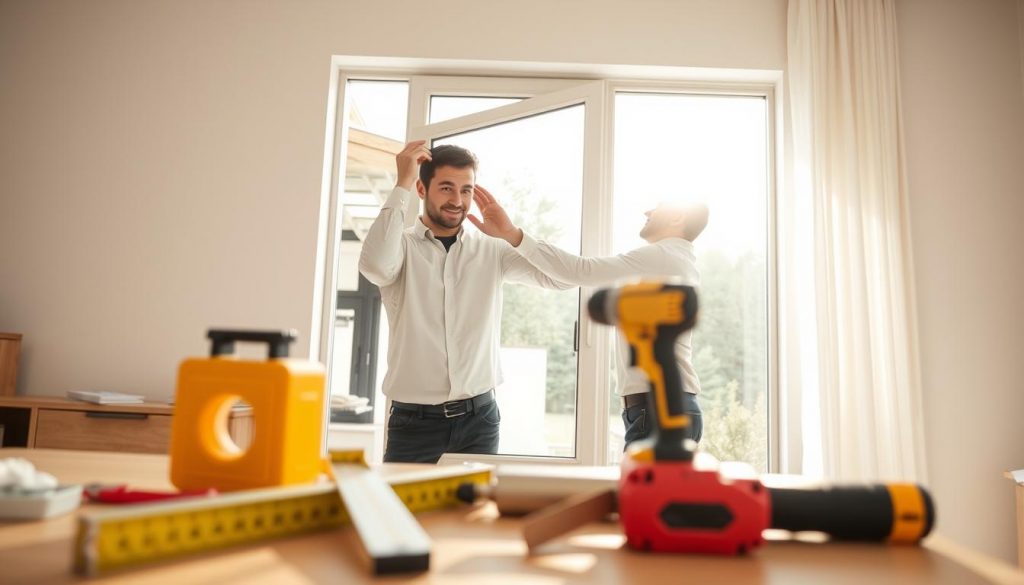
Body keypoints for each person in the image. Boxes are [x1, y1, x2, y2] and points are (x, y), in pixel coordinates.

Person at [358, 141, 571, 463]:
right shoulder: (399, 248)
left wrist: (513, 234)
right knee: (405, 512)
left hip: (479, 420)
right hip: (414, 424)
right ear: (421, 188)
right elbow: (374, 266)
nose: (458, 201)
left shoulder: (493, 249)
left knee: (474, 514)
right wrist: (400, 183)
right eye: (446, 188)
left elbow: (562, 279)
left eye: (466, 190)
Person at [469, 185, 708, 445]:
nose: (647, 211)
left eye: (659, 206)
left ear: (677, 218)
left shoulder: (661, 256)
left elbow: (580, 271)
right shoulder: (676, 260)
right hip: (667, 408)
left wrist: (512, 234)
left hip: (658, 411)